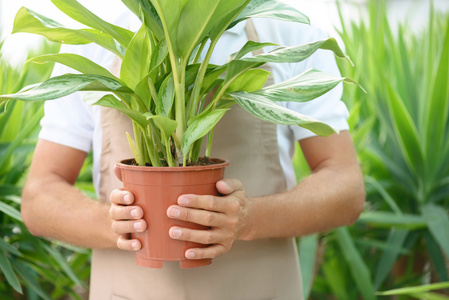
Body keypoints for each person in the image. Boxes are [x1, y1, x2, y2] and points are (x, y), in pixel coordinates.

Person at [21, 10, 365, 300]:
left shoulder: (285, 29)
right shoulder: (100, 30)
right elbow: (39, 196)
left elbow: (345, 186)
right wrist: (113, 224)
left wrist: (249, 218)